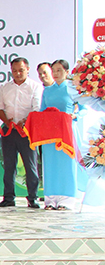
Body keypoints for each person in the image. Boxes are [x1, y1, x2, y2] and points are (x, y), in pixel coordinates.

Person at [0, 57, 43, 208]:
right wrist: (8, 122)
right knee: (9, 166)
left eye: (21, 70)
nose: (18, 73)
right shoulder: (5, 87)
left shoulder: (35, 87)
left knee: (31, 165)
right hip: (8, 130)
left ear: (27, 69)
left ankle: (33, 198)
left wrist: (25, 121)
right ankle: (8, 198)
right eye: (14, 71)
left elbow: (36, 108)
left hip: (27, 131)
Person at [41, 60, 78, 210]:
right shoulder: (47, 90)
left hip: (67, 132)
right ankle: (50, 199)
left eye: (59, 70)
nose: (55, 74)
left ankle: (67, 200)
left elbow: (82, 108)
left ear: (67, 72)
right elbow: (42, 110)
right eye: (53, 71)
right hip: (50, 133)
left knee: (66, 164)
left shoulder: (73, 89)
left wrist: (74, 115)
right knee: (50, 164)